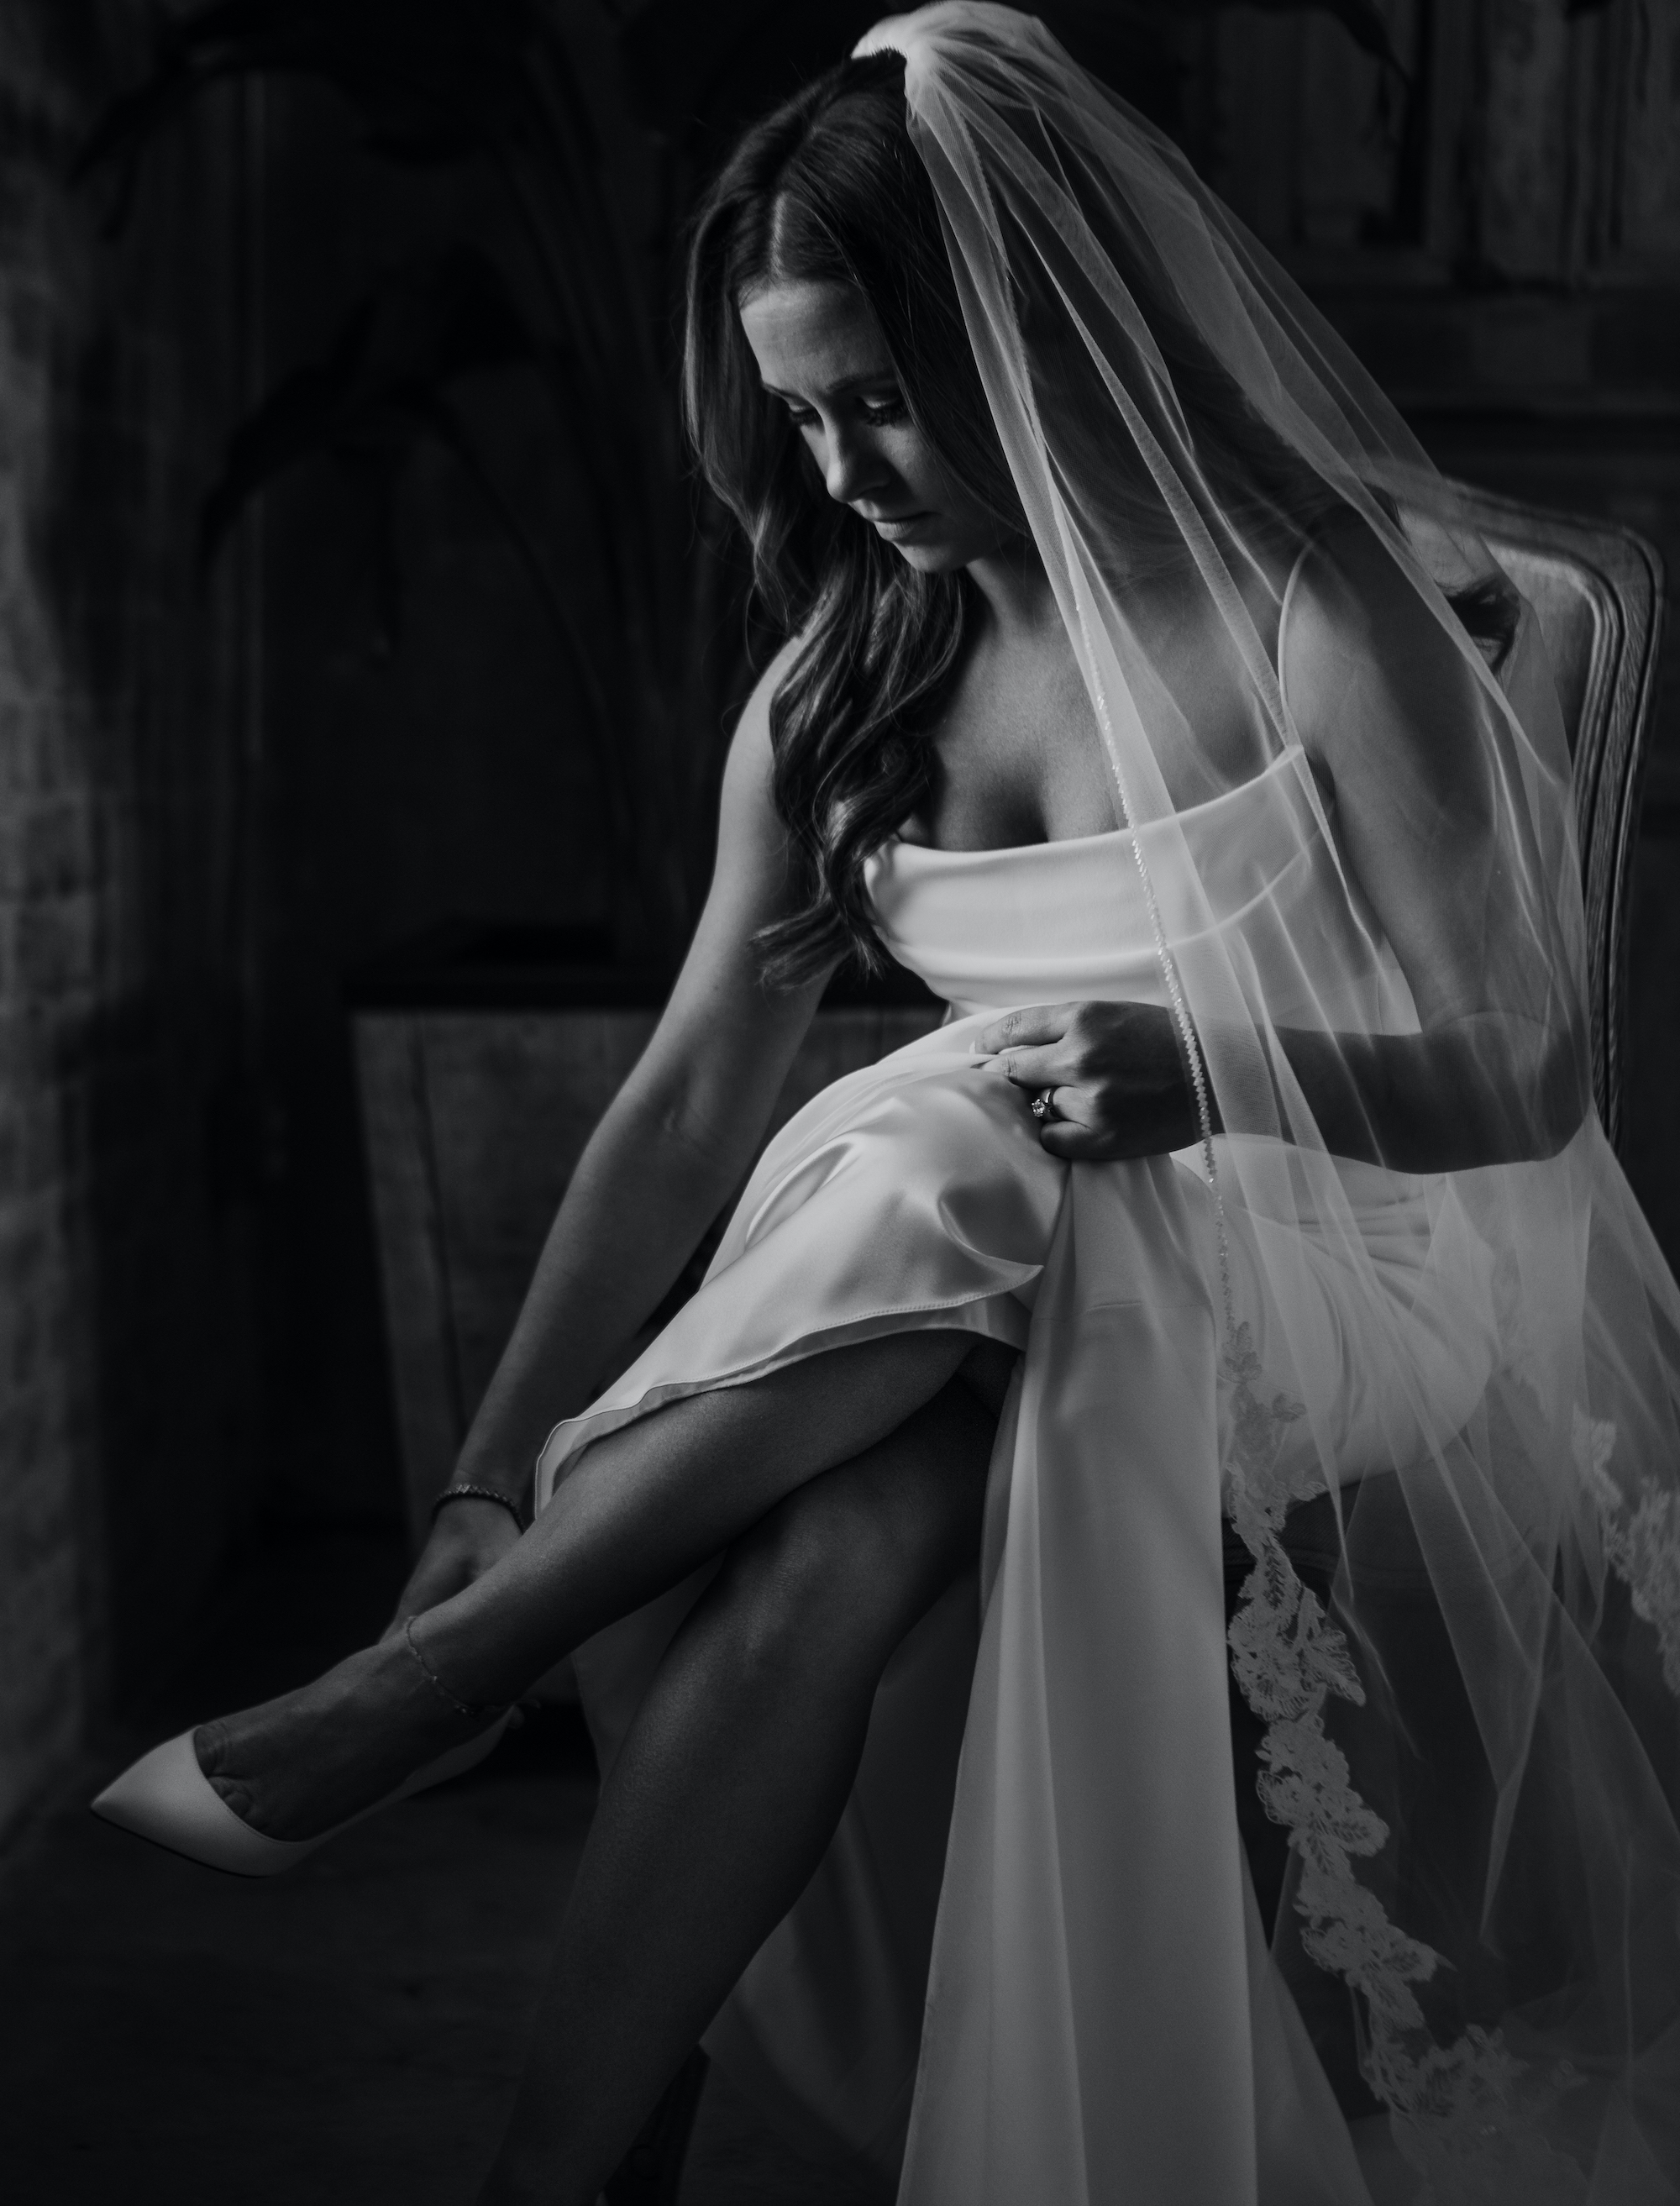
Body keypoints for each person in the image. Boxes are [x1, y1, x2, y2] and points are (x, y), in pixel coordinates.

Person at [93, 8, 1680, 2202]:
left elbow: (1528, 1068)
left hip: (1356, 1236)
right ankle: (564, 2142)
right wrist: (479, 1466)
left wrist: (1206, 1062)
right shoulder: (845, 675)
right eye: (800, 413)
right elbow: (681, 1101)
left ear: (1024, 336)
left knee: (961, 1126)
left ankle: (459, 1673)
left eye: (880, 398)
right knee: (866, 1488)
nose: (842, 470)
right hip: (997, 1278)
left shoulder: (1314, 608)